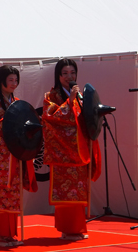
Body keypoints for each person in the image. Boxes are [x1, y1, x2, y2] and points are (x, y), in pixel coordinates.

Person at [0, 65, 38, 247]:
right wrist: (9, 122)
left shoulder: (17, 102)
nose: (13, 83)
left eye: (15, 80)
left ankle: (10, 234)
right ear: (1, 80)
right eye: (10, 80)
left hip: (14, 155)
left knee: (13, 195)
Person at [42, 58, 101, 241]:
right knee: (65, 193)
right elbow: (50, 118)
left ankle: (77, 228)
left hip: (78, 150)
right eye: (65, 73)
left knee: (78, 191)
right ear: (58, 76)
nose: (70, 77)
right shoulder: (51, 96)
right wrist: (70, 101)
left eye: (72, 73)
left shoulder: (81, 97)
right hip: (62, 153)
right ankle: (67, 229)